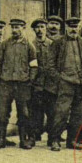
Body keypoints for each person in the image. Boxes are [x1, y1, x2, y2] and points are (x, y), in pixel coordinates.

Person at [46, 17, 82, 151]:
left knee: (78, 114)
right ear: (66, 28)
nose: (73, 29)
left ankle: (72, 140)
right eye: (71, 27)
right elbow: (50, 65)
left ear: (79, 28)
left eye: (76, 27)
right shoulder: (58, 42)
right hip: (65, 82)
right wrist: (59, 79)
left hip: (80, 82)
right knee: (61, 112)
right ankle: (55, 139)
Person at [0, 18, 38, 149]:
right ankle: (0, 139)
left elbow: (34, 65)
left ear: (24, 28)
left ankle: (23, 140)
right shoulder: (4, 44)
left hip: (23, 84)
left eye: (18, 27)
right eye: (13, 27)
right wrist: (0, 77)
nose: (14, 30)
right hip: (6, 84)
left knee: (23, 113)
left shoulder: (29, 46)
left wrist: (30, 80)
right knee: (2, 113)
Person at [29, 18, 57, 146]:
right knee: (35, 112)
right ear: (34, 30)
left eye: (42, 27)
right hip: (36, 84)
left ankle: (52, 138)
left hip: (51, 84)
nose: (40, 30)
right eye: (37, 27)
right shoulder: (30, 45)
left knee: (52, 111)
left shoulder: (53, 44)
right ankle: (33, 137)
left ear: (46, 29)